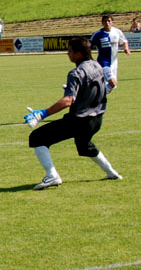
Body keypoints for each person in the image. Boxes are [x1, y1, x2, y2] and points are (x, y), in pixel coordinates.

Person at [24, 37, 122, 190]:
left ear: (78, 54)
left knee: (37, 137)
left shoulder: (76, 73)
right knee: (84, 145)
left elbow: (68, 101)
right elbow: (103, 88)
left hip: (80, 120)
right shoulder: (98, 66)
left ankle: (52, 176)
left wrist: (41, 114)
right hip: (97, 119)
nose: (67, 53)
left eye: (70, 51)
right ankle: (111, 172)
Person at [90, 15, 130, 93]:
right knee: (112, 83)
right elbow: (88, 47)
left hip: (114, 63)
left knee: (111, 86)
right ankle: (96, 95)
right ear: (102, 23)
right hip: (103, 63)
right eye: (105, 21)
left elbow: (124, 41)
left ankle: (97, 95)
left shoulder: (117, 32)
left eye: (109, 21)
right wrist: (90, 59)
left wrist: (126, 48)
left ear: (112, 22)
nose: (107, 23)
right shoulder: (98, 34)